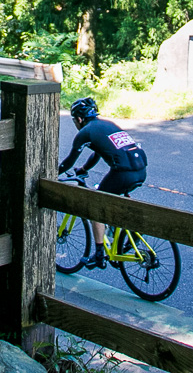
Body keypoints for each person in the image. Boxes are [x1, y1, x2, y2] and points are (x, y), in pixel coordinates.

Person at [58, 96, 148, 268]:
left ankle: (99, 254)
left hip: (123, 173)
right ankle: (133, 230)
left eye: (73, 120)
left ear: (78, 119)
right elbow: (98, 153)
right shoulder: (107, 125)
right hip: (141, 170)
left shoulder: (85, 132)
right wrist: (84, 169)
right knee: (114, 194)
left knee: (96, 203)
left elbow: (69, 161)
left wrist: (53, 173)